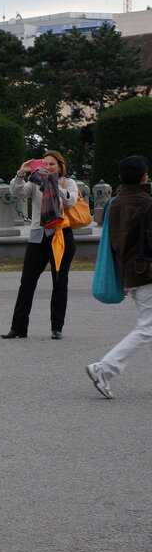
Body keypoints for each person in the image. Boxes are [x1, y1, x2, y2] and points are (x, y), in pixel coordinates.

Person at [86, 156, 152, 399]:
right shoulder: (146, 201)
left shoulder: (115, 202)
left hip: (129, 271)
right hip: (147, 273)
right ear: (145, 177)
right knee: (147, 327)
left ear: (121, 178)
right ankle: (105, 368)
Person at [1, 151, 78, 340]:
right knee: (26, 283)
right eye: (45, 164)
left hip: (60, 237)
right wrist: (21, 173)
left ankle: (56, 328)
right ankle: (18, 328)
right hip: (38, 236)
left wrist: (50, 183)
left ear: (60, 166)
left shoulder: (69, 183)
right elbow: (17, 192)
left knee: (59, 282)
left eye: (52, 164)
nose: (49, 167)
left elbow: (70, 201)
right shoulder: (34, 182)